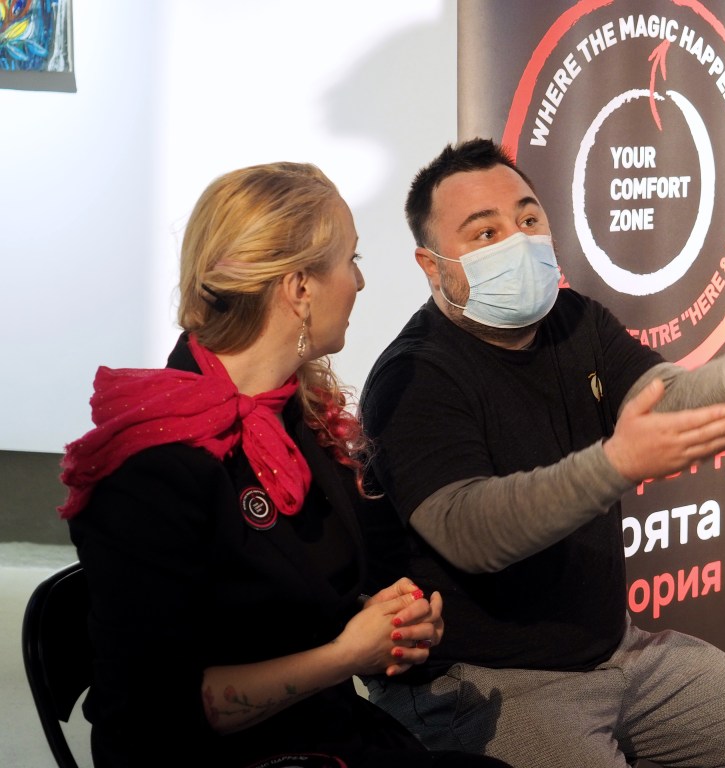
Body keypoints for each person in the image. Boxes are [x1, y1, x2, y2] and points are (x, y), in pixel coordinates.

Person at [358, 138, 725, 768]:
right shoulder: (413, 375)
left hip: (613, 650)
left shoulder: (577, 319)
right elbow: (468, 529)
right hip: (484, 677)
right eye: (485, 233)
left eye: (528, 219)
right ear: (432, 265)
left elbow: (660, 396)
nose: (517, 241)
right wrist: (615, 465)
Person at [59, 162, 511, 768]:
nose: (359, 282)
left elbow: (295, 601)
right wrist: (348, 654)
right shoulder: (154, 467)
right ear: (299, 288)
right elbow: (158, 716)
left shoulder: (296, 417)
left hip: (323, 734)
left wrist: (386, 621)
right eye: (351, 260)